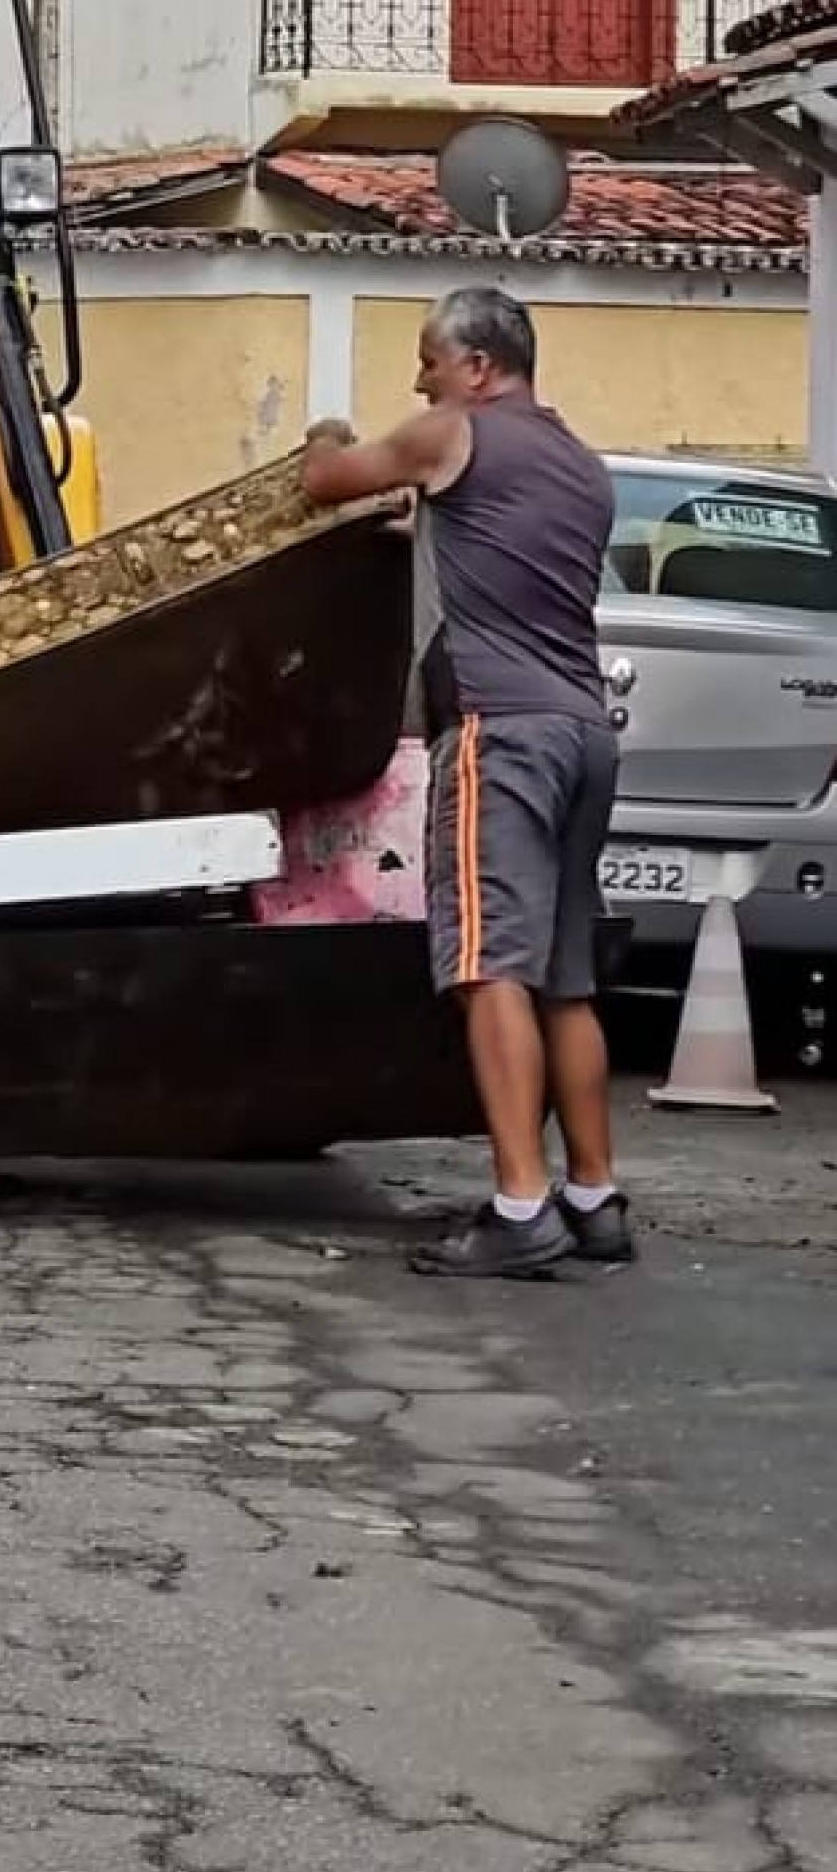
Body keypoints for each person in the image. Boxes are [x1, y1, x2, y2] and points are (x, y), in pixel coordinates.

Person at [300, 287, 632, 1279]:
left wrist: (325, 432)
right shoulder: (581, 465)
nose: (420, 379)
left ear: (479, 367)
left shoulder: (452, 433)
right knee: (567, 983)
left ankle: (520, 1207)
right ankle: (593, 1198)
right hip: (583, 733)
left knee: (489, 966)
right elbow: (489, 554)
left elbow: (328, 480)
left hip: (503, 735)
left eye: (430, 360)